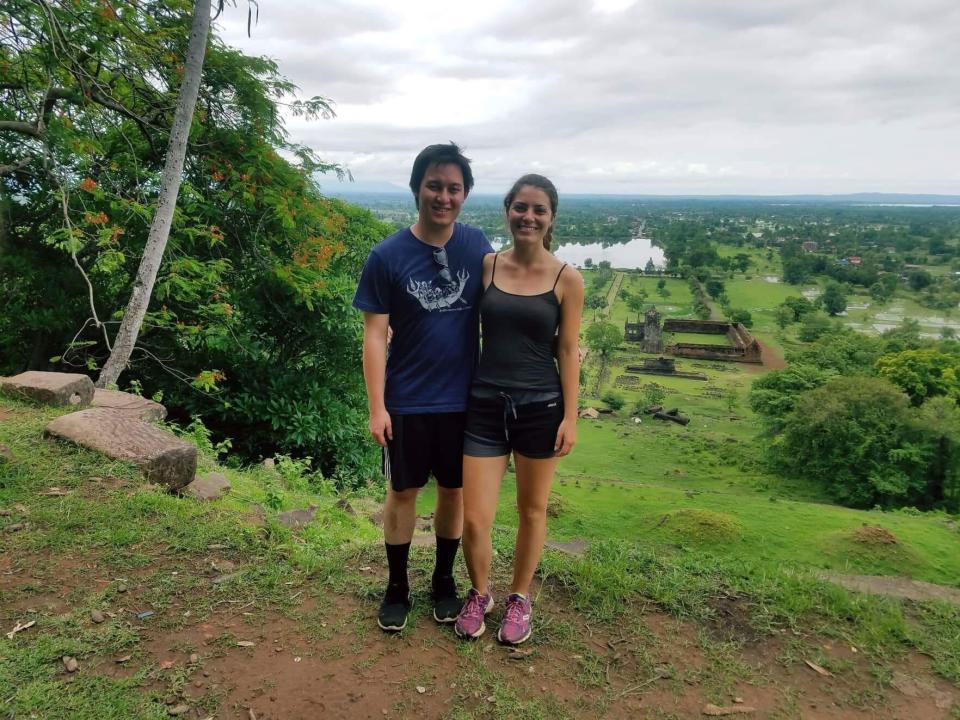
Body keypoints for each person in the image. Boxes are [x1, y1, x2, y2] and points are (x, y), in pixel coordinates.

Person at [352, 143, 493, 632]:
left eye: (454, 188)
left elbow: (513, 295)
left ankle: (443, 582)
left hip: (464, 401)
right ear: (416, 189)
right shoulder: (387, 256)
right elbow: (373, 334)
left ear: (466, 194)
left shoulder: (478, 247)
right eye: (434, 185)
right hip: (408, 400)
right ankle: (396, 587)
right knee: (403, 492)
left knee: (453, 493)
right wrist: (377, 407)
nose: (443, 196)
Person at [454, 174, 584, 644]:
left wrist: (571, 416)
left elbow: (567, 350)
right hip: (485, 403)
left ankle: (520, 598)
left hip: (540, 406)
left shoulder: (566, 278)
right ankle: (479, 592)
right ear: (508, 210)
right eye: (520, 207)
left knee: (532, 510)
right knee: (475, 516)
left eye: (539, 210)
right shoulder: (488, 266)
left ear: (551, 219)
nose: (528, 217)